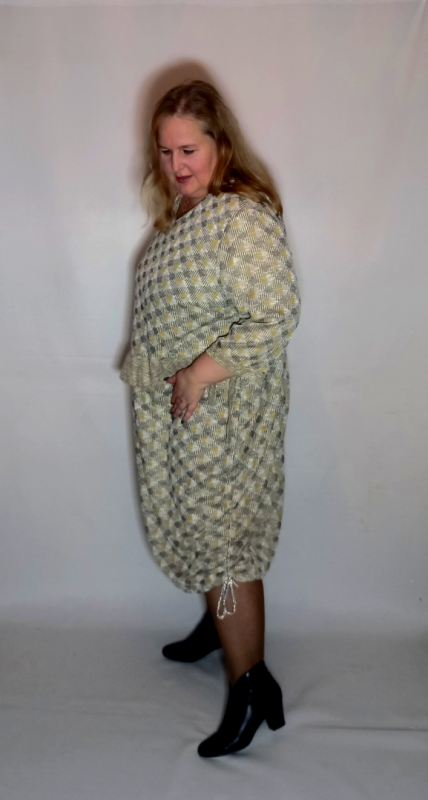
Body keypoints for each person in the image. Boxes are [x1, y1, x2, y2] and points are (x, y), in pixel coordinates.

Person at [120, 79, 301, 757]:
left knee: (224, 545)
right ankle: (218, 624)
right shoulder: (189, 211)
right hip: (190, 416)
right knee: (203, 528)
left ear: (221, 142)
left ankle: (251, 682)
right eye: (165, 152)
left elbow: (276, 315)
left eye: (188, 150)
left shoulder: (239, 217)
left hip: (222, 416)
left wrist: (197, 373)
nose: (176, 165)